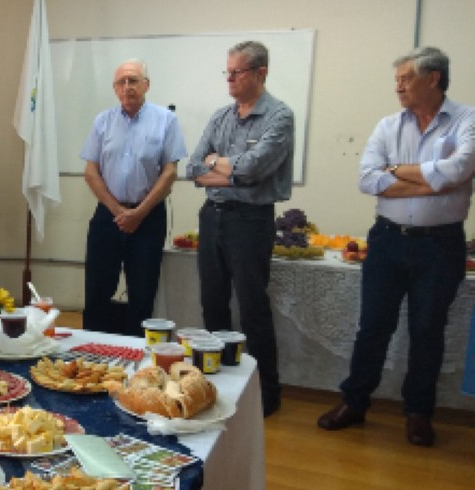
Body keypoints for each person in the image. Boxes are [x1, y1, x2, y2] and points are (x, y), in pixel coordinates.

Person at [317, 46, 473, 446]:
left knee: (427, 330)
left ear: (433, 78)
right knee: (372, 326)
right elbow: (368, 180)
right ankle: (354, 401)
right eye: (398, 79)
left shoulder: (466, 120)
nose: (398, 86)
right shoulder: (388, 125)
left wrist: (395, 172)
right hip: (387, 240)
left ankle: (418, 413)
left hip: (440, 245)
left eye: (406, 78)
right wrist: (431, 179)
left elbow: (460, 170)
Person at [186, 40, 294, 417]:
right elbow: (193, 169)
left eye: (237, 72)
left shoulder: (279, 116)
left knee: (252, 309)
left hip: (251, 222)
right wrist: (224, 169)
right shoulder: (220, 116)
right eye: (227, 72)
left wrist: (219, 165)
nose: (229, 79)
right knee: (212, 304)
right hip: (212, 218)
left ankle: (266, 395)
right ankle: (216, 385)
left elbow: (254, 170)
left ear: (261, 73)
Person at [80, 60, 187, 335]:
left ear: (146, 85)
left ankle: (138, 362)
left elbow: (170, 172)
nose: (127, 87)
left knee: (142, 295)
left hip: (148, 217)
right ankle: (91, 357)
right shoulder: (102, 121)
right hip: (107, 216)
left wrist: (138, 213)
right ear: (115, 89)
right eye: (121, 82)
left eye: (133, 80)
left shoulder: (166, 119)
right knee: (97, 291)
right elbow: (91, 172)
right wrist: (118, 211)